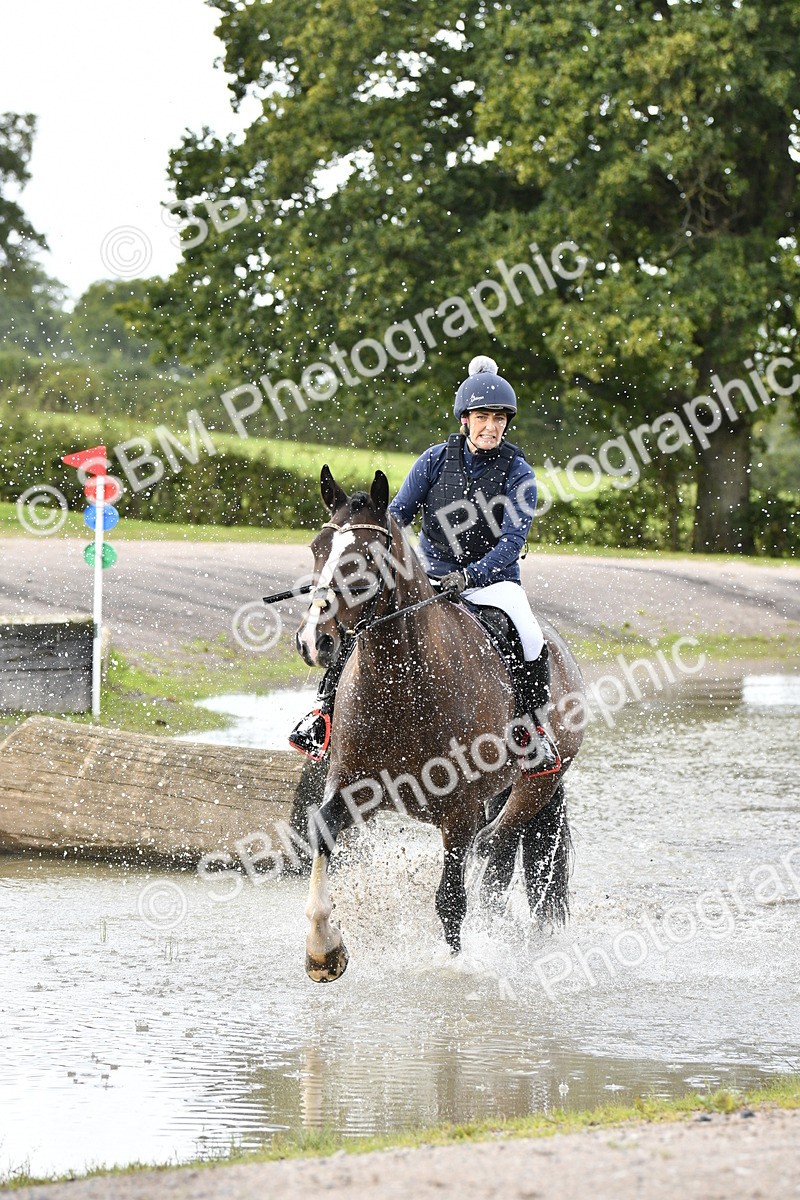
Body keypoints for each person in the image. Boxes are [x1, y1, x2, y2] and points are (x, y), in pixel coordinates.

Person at [289, 355, 560, 775]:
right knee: (363, 620)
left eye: (499, 418)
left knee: (529, 636)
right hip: (430, 575)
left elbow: (512, 542)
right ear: (465, 420)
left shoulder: (519, 472)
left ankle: (532, 732)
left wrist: (470, 575)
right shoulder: (435, 460)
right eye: (482, 417)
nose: (491, 427)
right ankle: (323, 714)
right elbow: (395, 516)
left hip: (492, 583)